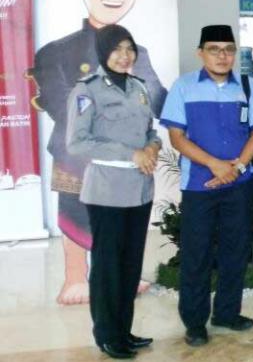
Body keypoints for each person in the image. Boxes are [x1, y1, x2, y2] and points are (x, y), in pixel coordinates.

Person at [32, 0, 166, 305]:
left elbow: (158, 98)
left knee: (127, 232)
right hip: (79, 157)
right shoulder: (56, 51)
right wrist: (122, 137)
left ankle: (123, 287)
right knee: (76, 214)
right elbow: (61, 103)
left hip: (132, 168)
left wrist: (162, 134)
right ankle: (76, 277)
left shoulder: (140, 57)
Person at [160, 25, 253, 347]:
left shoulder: (248, 86)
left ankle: (227, 313)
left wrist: (236, 167)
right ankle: (194, 322)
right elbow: (176, 137)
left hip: (238, 184)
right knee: (197, 253)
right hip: (199, 185)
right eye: (214, 49)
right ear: (201, 53)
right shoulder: (184, 87)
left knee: (236, 251)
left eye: (228, 49)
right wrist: (216, 165)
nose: (222, 56)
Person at [66, 25, 160, 360]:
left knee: (130, 265)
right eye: (117, 49)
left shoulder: (138, 87)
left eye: (129, 49)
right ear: (104, 53)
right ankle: (107, 335)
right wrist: (130, 153)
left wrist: (151, 147)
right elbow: (77, 142)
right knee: (108, 267)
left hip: (140, 189)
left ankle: (124, 330)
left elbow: (150, 129)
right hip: (107, 190)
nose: (125, 56)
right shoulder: (86, 90)